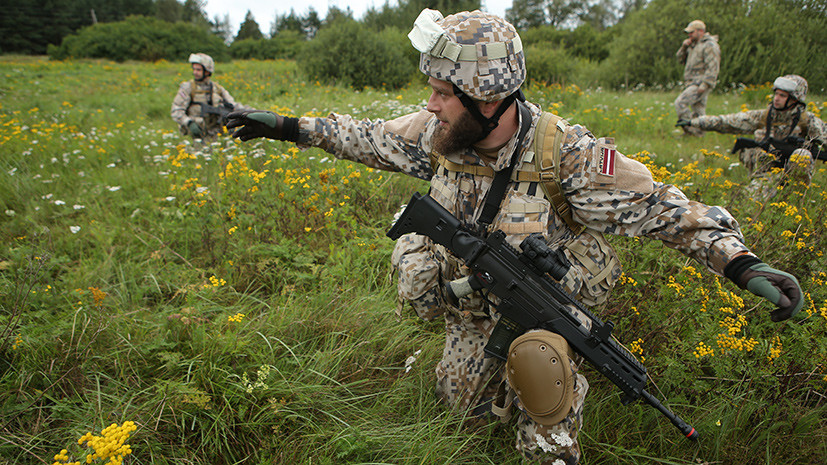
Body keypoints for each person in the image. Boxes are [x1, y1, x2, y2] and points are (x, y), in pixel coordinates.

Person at [225, 10, 803, 464]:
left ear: (489, 99)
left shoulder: (566, 154)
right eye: (432, 91)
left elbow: (660, 209)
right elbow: (366, 137)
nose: (430, 105)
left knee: (540, 367)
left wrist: (742, 265)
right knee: (458, 418)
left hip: (540, 316)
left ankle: (555, 431)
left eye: (443, 94)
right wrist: (285, 128)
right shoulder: (439, 131)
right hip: (472, 309)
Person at [678, 74, 825, 199]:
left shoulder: (808, 121)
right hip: (766, 171)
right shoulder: (764, 116)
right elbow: (727, 121)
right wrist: (694, 122)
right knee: (747, 200)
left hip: (792, 171)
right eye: (776, 94)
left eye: (782, 95)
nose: (776, 99)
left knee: (802, 155)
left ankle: (796, 196)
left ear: (794, 99)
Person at [170, 53, 249, 140]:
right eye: (194, 69)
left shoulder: (218, 89)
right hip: (196, 136)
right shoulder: (188, 88)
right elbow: (176, 110)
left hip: (216, 135)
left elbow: (234, 106)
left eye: (198, 70)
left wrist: (250, 113)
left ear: (207, 71)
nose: (194, 72)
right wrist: (189, 123)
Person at [674, 20, 720, 136]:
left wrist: (705, 84)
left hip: (700, 83)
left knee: (680, 103)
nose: (689, 35)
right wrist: (684, 47)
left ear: (701, 31)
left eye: (691, 32)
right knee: (698, 110)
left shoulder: (709, 45)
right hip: (692, 82)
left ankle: (690, 130)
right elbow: (680, 59)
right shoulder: (692, 45)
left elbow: (713, 67)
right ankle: (698, 134)